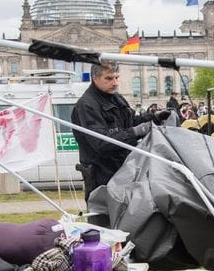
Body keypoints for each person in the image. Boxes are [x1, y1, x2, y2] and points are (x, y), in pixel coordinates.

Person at [72, 61, 170, 202]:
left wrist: (154, 118)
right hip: (102, 177)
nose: (115, 83)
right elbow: (101, 143)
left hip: (124, 171)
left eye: (117, 77)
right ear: (95, 78)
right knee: (105, 221)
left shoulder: (117, 98)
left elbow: (130, 122)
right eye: (109, 78)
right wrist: (135, 132)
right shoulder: (86, 105)